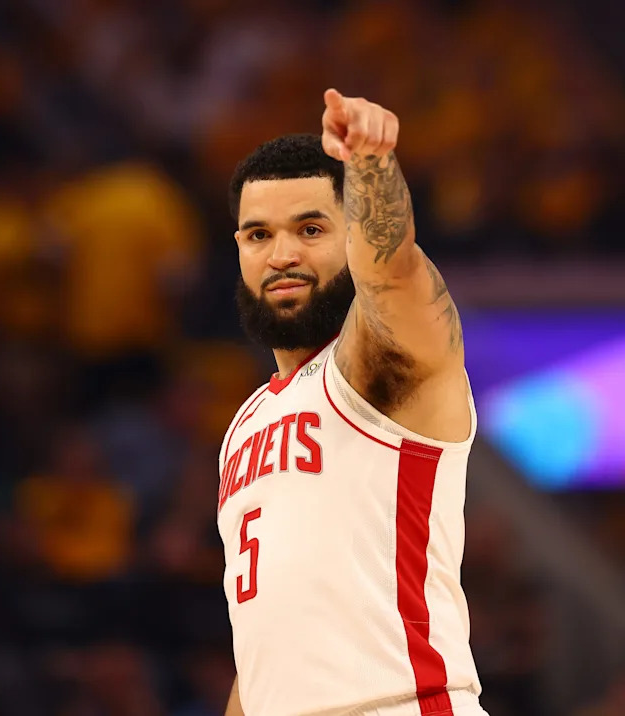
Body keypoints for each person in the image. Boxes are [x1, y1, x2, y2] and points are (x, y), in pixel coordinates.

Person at [218, 89, 487, 716]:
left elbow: (391, 271)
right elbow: (265, 649)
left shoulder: (385, 369)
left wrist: (370, 162)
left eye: (311, 229)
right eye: (259, 234)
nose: (282, 255)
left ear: (352, 235)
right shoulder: (244, 424)